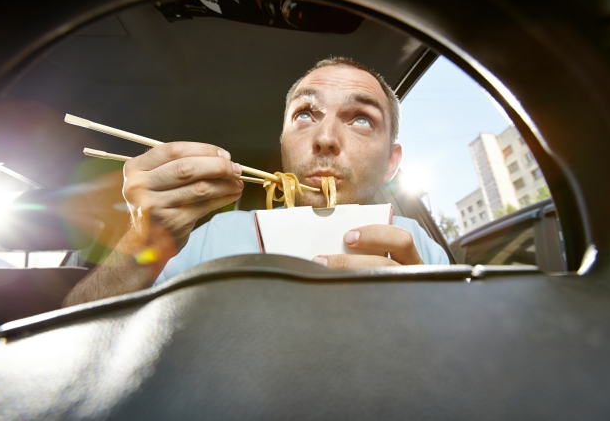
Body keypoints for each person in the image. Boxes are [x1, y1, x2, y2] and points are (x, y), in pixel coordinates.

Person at [63, 57, 448, 307]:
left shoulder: (418, 250)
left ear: (391, 164)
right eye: (305, 114)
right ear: (282, 143)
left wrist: (421, 312)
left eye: (361, 118)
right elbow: (71, 341)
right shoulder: (211, 237)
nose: (325, 137)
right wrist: (141, 241)